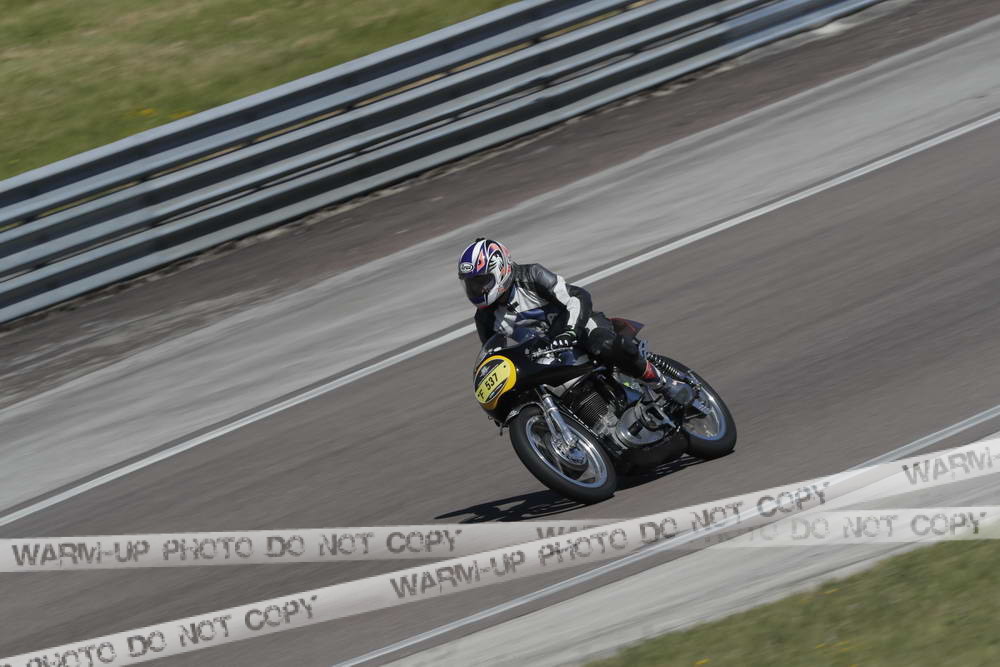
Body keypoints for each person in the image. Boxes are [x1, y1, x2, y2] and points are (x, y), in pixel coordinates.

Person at [458, 238, 693, 405]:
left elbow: (578, 297)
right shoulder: (485, 317)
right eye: (471, 285)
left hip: (578, 327)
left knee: (604, 345)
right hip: (546, 353)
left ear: (500, 269)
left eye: (481, 281)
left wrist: (569, 332)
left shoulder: (532, 276)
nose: (478, 289)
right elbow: (496, 355)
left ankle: (663, 384)